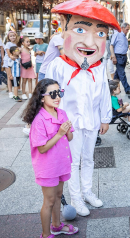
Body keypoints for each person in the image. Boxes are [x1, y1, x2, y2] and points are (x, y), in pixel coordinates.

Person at [45, 0, 116, 217]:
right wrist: (54, 123)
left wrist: (105, 118)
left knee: (89, 158)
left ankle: (87, 191)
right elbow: (48, 96)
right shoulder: (59, 65)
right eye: (79, 30)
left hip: (92, 120)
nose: (90, 41)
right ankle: (75, 196)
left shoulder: (98, 66)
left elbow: (104, 92)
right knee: (73, 161)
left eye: (100, 34)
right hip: (70, 125)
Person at [22, 78, 78, 238]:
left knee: (59, 195)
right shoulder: (39, 120)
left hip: (61, 162)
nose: (57, 97)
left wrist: (67, 132)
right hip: (47, 167)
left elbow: (70, 137)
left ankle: (56, 226)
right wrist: (60, 133)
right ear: (41, 97)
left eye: (59, 92)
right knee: (49, 201)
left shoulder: (61, 113)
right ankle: (46, 234)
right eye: (52, 94)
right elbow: (42, 148)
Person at [110, 22, 130, 95]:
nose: (127, 31)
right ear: (122, 28)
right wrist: (113, 56)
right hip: (118, 56)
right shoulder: (117, 34)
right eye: (126, 29)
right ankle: (127, 89)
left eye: (128, 29)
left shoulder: (124, 36)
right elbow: (111, 45)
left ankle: (111, 87)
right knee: (122, 74)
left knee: (118, 75)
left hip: (123, 57)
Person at [4, 31, 18, 98]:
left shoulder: (16, 44)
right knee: (9, 76)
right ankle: (10, 91)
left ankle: (16, 89)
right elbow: (8, 53)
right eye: (11, 36)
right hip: (8, 61)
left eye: (13, 36)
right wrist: (12, 57)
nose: (12, 37)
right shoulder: (8, 44)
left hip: (14, 62)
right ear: (9, 37)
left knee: (14, 76)